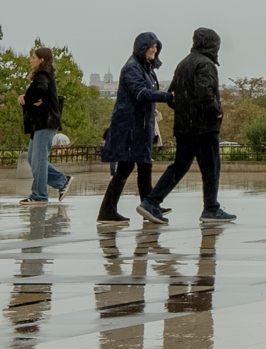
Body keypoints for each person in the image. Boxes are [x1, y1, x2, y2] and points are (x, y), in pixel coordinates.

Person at [136, 29, 234, 224]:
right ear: (212, 45)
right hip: (204, 126)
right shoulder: (206, 64)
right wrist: (216, 111)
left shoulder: (184, 63)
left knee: (179, 166)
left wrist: (185, 109)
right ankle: (211, 208)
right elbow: (206, 93)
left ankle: (151, 201)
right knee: (211, 167)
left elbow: (172, 96)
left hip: (184, 127)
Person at [99, 32, 172, 224]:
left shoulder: (145, 68)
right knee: (126, 166)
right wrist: (169, 97)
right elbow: (141, 93)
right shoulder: (133, 67)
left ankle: (149, 204)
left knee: (144, 163)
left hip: (140, 125)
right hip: (129, 126)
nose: (155, 50)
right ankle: (109, 210)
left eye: (157, 47)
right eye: (151, 47)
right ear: (142, 47)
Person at [18, 46, 70, 204]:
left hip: (44, 122)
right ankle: (62, 181)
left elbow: (41, 89)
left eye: (33, 57)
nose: (31, 60)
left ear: (42, 60)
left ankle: (39, 195)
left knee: (38, 159)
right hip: (41, 124)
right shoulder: (44, 75)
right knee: (33, 158)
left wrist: (27, 99)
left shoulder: (42, 74)